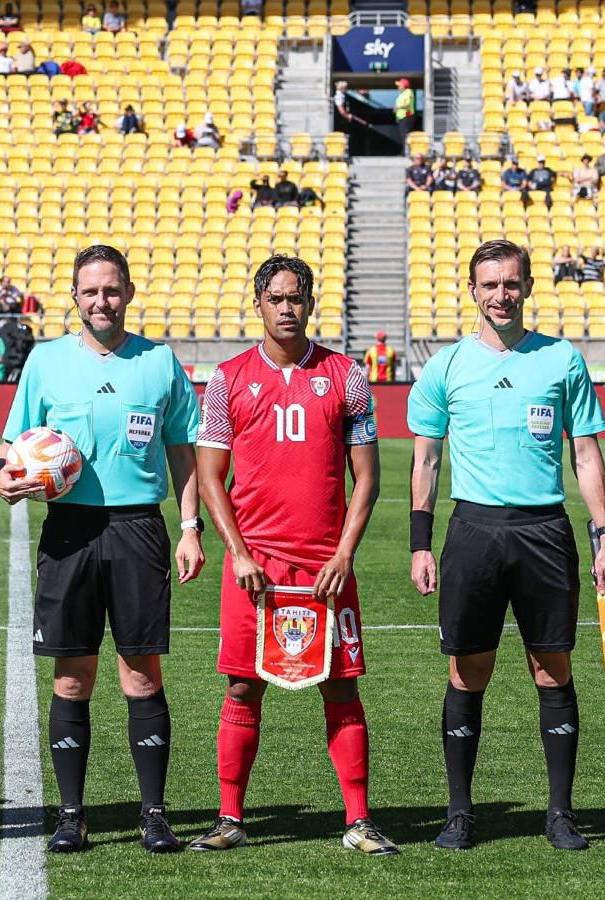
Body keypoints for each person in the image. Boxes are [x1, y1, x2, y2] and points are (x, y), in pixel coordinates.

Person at [0, 245, 204, 855]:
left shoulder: (160, 363)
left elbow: (182, 452)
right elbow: (11, 448)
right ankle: (71, 813)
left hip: (138, 529)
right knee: (71, 677)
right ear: (74, 298)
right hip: (68, 531)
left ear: (129, 293)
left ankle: (155, 814)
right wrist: (3, 476)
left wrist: (190, 527)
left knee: (140, 673)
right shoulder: (46, 362)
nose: (101, 301)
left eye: (111, 290)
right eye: (90, 291)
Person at [407, 239, 605, 852]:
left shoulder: (562, 360)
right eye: (489, 284)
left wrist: (604, 534)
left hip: (545, 531)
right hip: (473, 531)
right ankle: (460, 813)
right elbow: (426, 458)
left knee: (552, 669)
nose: (501, 295)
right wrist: (422, 544)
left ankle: (560, 813)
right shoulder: (446, 365)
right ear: (472, 290)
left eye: (511, 283)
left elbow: (584, 454)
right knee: (468, 671)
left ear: (527, 287)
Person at [191, 254, 395, 857]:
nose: (286, 308)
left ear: (310, 303)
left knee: (341, 687)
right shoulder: (227, 379)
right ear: (258, 303)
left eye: (295, 298)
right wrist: (240, 554)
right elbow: (209, 480)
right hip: (254, 567)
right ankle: (230, 817)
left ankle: (357, 821)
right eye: (275, 298)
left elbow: (367, 480)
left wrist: (345, 555)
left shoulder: (347, 375)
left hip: (327, 568)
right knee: (242, 688)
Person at [394, 77, 416, 146]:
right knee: (403, 135)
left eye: (399, 85)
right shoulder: (402, 94)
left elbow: (407, 104)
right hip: (402, 117)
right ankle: (404, 151)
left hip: (407, 116)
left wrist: (397, 107)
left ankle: (406, 152)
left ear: (404, 86)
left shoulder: (408, 92)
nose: (398, 87)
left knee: (405, 135)